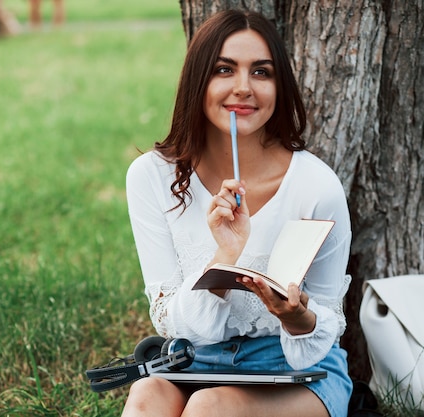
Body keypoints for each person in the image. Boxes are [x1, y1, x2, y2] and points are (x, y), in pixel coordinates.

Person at [123, 9, 353, 417]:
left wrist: (295, 315)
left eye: (261, 72)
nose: (243, 88)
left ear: (279, 86)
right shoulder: (151, 177)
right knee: (146, 398)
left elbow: (324, 329)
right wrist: (224, 257)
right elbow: (168, 323)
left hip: (297, 371)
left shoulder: (317, 187)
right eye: (224, 70)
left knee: (211, 408)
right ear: (198, 81)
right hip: (193, 360)